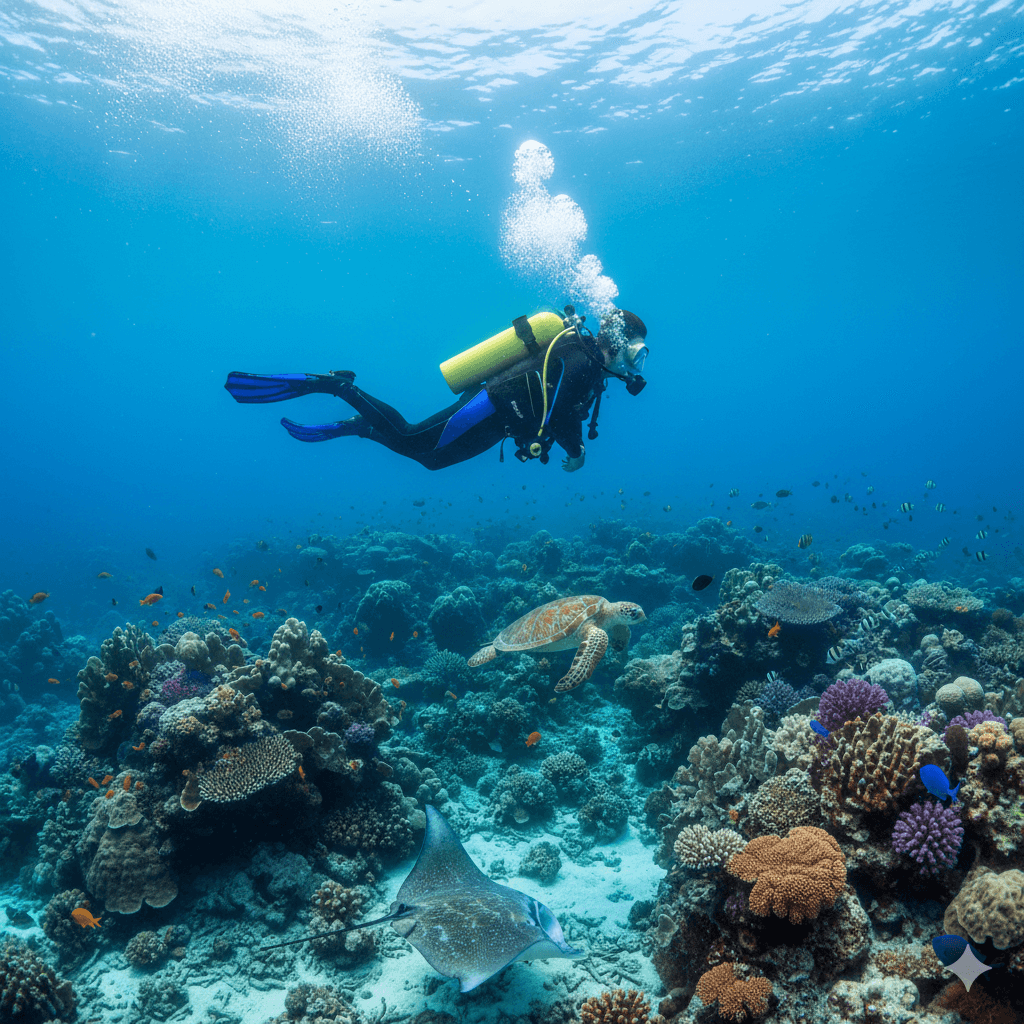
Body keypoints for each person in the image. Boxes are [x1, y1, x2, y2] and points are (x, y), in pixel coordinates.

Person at [224, 306, 648, 472]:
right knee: (411, 437)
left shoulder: (585, 360)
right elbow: (559, 414)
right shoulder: (582, 361)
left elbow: (557, 409)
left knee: (431, 463)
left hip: (503, 423)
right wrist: (576, 453)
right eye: (637, 350)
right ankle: (338, 387)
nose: (637, 360)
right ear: (617, 341)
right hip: (490, 405)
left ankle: (361, 427)